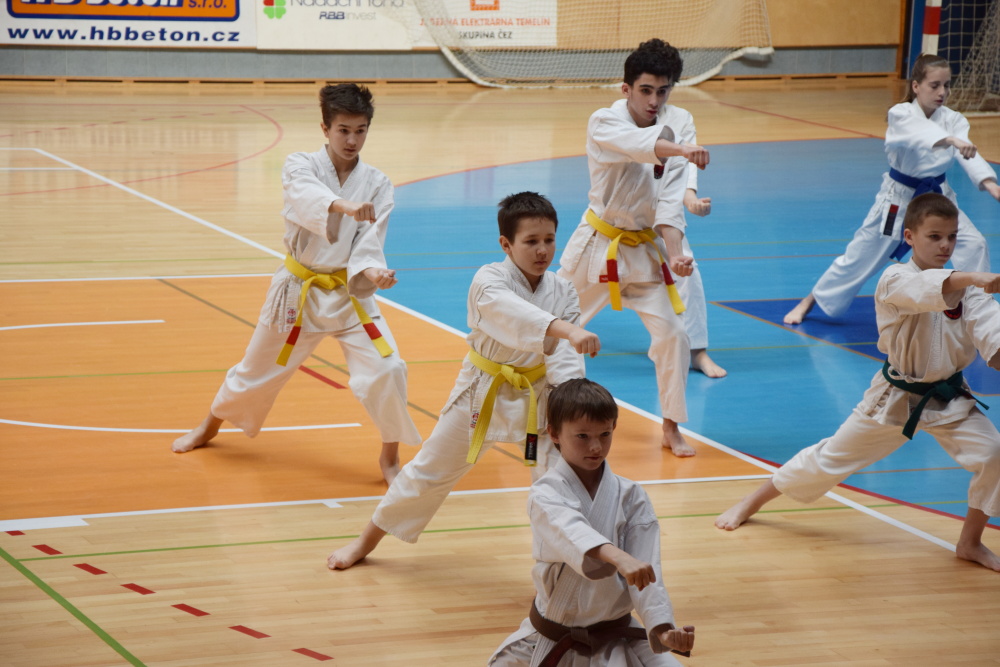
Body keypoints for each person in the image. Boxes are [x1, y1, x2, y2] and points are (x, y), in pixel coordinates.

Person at [718, 193, 1000, 572]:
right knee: (830, 459)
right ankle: (751, 502)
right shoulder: (894, 278)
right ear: (909, 236)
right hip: (896, 398)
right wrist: (974, 276)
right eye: (934, 236)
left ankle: (970, 542)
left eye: (951, 236)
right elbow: (928, 289)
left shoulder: (972, 291)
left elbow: (992, 336)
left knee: (994, 455)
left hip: (950, 398)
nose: (945, 245)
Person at [328, 191, 600, 570]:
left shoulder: (563, 288)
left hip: (539, 397)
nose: (542, 250)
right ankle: (364, 542)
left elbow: (565, 358)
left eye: (549, 240)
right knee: (428, 471)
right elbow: (516, 316)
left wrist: (568, 405)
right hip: (482, 393)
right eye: (531, 241)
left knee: (560, 479)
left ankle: (558, 567)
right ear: (506, 244)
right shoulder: (488, 280)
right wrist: (567, 330)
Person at [171, 83, 421, 485]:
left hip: (348, 295)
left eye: (360, 131)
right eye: (343, 130)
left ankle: (389, 458)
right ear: (325, 128)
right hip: (297, 293)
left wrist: (375, 273)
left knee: (388, 368)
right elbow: (306, 198)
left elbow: (369, 244)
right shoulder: (299, 164)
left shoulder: (377, 182)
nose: (352, 140)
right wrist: (343, 206)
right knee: (256, 369)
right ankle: (208, 427)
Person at [558, 38, 711, 459]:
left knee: (674, 335)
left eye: (663, 91)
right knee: (553, 328)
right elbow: (640, 146)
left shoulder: (680, 121)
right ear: (626, 88)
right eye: (645, 90)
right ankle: (541, 416)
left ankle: (671, 426)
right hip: (597, 246)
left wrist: (675, 254)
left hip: (644, 250)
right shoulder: (604, 120)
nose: (654, 101)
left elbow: (670, 201)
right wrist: (681, 150)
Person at [489, 378, 696, 666]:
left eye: (605, 434)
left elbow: (647, 573)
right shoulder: (544, 493)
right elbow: (571, 530)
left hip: (617, 638)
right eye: (583, 436)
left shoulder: (631, 495)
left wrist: (662, 629)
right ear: (554, 433)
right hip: (552, 638)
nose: (596, 446)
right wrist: (620, 558)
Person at [783, 53, 998, 325]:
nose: (942, 92)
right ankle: (810, 300)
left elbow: (968, 152)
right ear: (916, 86)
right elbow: (919, 135)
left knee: (974, 244)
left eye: (946, 85)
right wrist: (951, 140)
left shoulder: (954, 119)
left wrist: (991, 185)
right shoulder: (900, 114)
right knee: (863, 253)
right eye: (934, 85)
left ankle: (976, 310)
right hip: (898, 201)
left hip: (938, 198)